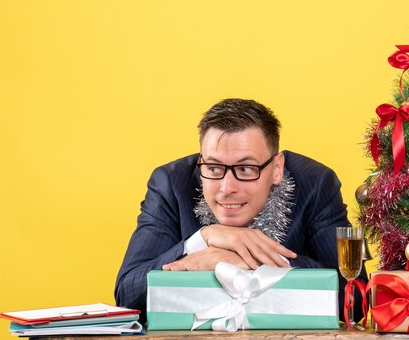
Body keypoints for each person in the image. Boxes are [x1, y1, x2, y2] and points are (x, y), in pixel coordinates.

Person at [115, 98, 366, 322]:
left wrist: (251, 261)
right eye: (213, 168)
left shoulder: (316, 183)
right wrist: (201, 240)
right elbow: (127, 296)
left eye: (246, 169)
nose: (227, 188)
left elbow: (356, 299)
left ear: (277, 168)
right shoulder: (170, 183)